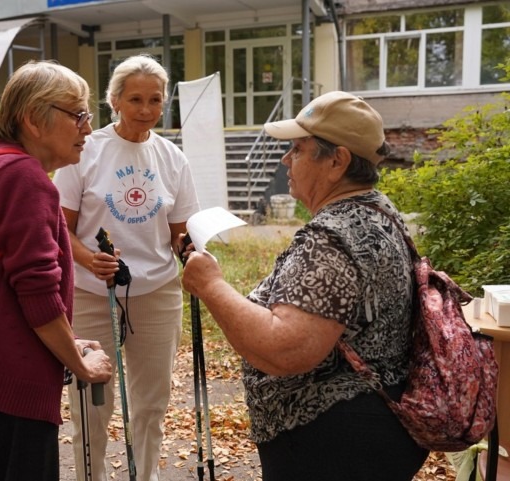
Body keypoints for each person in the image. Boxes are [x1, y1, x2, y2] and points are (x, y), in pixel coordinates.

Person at [180, 91, 429, 481]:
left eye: (297, 149)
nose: (285, 159)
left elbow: (286, 350)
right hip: (373, 427)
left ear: (337, 160)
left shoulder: (334, 237)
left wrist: (211, 285)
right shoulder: (379, 211)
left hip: (332, 446)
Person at [0, 60, 112, 481]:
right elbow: (36, 289)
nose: (88, 129)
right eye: (78, 114)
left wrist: (68, 339)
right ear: (34, 120)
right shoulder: (23, 176)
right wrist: (78, 361)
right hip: (14, 375)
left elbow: (3, 282)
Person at [52, 54, 200, 481]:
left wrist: (189, 247)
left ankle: (146, 474)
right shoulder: (85, 151)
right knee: (92, 403)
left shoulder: (173, 158)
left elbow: (178, 231)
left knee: (151, 401)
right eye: (135, 98)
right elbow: (61, 227)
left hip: (157, 291)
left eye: (155, 99)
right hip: (91, 292)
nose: (146, 109)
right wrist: (88, 259)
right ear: (114, 100)